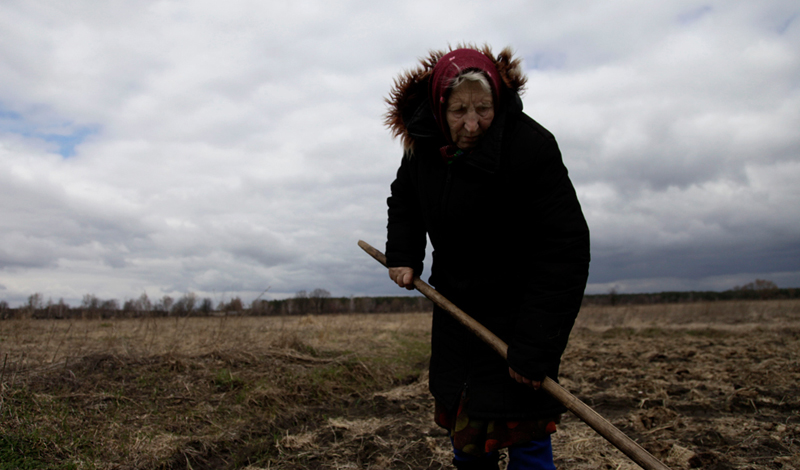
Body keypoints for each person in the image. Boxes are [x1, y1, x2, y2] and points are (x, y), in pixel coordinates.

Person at [383, 45, 590, 469]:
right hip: (458, 317)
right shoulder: (424, 148)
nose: (472, 124)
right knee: (469, 445)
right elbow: (405, 200)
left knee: (527, 442)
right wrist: (403, 254)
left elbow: (565, 249)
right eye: (459, 111)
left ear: (498, 99)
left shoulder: (531, 148)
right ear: (440, 107)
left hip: (519, 320)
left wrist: (535, 347)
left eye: (483, 108)